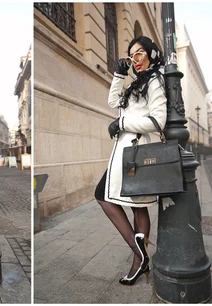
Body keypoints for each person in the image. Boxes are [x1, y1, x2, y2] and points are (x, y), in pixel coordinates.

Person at [94, 36, 167, 286]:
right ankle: (141, 257)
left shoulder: (155, 80)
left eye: (139, 53)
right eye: (131, 55)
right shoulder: (138, 82)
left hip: (136, 152)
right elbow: (114, 102)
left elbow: (158, 121)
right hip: (125, 152)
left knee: (131, 203)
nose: (134, 59)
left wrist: (122, 123)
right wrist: (117, 75)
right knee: (123, 201)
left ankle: (139, 259)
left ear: (151, 54)